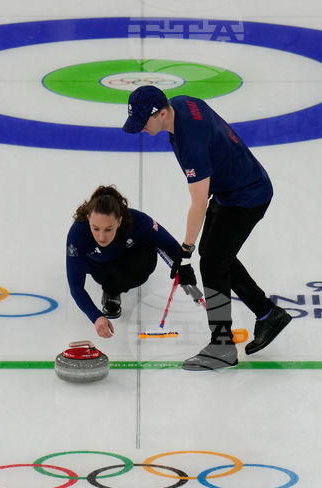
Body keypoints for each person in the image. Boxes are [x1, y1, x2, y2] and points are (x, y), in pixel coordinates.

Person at [121, 85, 291, 371]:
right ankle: (268, 314)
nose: (140, 129)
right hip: (230, 189)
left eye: (144, 122)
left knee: (212, 262)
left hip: (246, 197)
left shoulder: (192, 145)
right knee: (217, 257)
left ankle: (222, 346)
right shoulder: (181, 103)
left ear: (162, 113)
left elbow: (198, 203)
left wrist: (185, 252)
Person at [65, 185, 184, 339]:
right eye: (95, 228)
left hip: (128, 259)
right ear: (88, 219)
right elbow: (76, 287)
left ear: (119, 221)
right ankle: (110, 288)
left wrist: (186, 269)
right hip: (101, 270)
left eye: (108, 229)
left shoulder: (138, 221)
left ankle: (114, 288)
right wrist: (96, 316)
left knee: (147, 257)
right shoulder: (77, 234)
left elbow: (169, 245)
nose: (101, 237)